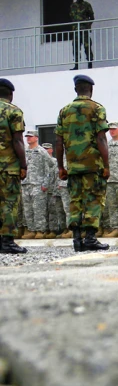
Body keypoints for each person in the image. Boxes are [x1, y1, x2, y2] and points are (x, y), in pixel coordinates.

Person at [55, 75, 110, 252]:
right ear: (90, 90)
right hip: (93, 165)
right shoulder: (97, 109)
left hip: (73, 166)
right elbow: (101, 138)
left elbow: (58, 142)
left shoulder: (64, 111)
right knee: (93, 199)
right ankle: (91, 238)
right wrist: (107, 165)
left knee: (76, 200)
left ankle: (77, 239)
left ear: (75, 89)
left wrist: (61, 167)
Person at [0, 78, 28, 254]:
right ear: (10, 94)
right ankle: (7, 241)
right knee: (9, 203)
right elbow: (18, 140)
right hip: (8, 167)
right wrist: (23, 165)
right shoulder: (13, 111)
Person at [22, 130, 55, 239]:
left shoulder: (41, 151)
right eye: (27, 137)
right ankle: (31, 230)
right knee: (28, 209)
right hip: (26, 183)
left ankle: (40, 230)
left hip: (38, 184)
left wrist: (45, 183)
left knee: (39, 209)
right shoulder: (24, 151)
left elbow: (50, 166)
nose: (28, 139)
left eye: (30, 137)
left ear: (36, 138)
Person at [42, 143, 63, 238]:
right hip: (42, 189)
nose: (45, 151)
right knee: (43, 210)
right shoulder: (41, 161)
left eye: (47, 149)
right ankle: (45, 229)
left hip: (52, 189)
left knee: (53, 211)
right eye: (44, 149)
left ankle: (54, 230)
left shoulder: (55, 161)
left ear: (51, 150)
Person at [70, 0, 94, 70]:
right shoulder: (72, 6)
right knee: (76, 48)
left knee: (87, 47)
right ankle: (76, 65)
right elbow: (71, 18)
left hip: (84, 30)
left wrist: (88, 26)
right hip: (76, 30)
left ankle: (90, 64)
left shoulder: (87, 5)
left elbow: (92, 17)